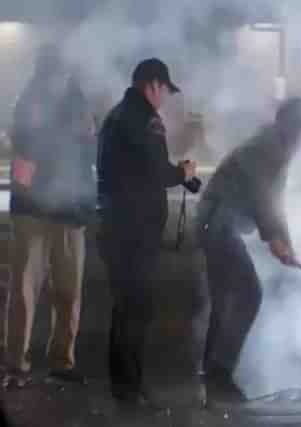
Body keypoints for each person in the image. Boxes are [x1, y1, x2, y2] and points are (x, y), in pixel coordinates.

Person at [196, 97, 301, 403]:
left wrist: (285, 242)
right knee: (250, 293)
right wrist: (273, 238)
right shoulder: (268, 148)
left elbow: (275, 204)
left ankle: (211, 373)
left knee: (224, 299)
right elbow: (261, 196)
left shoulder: (277, 150)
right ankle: (220, 372)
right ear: (294, 128)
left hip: (217, 223)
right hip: (218, 222)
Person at [96, 58, 196, 404]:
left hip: (115, 226)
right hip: (135, 231)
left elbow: (136, 168)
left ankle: (122, 385)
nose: (165, 97)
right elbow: (156, 172)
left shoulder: (116, 116)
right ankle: (130, 389)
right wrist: (182, 172)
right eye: (165, 90)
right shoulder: (146, 120)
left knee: (124, 308)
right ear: (153, 84)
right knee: (136, 309)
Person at [6, 45, 96, 388]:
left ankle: (62, 359)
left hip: (70, 209)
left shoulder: (79, 103)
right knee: (24, 290)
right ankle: (16, 362)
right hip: (33, 211)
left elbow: (89, 148)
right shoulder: (27, 103)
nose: (63, 78)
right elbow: (25, 149)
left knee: (69, 290)